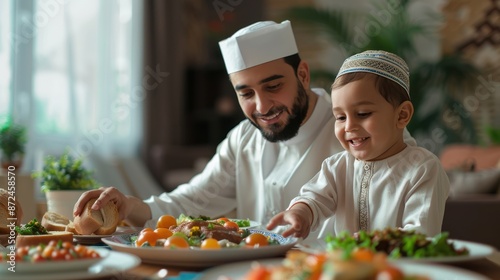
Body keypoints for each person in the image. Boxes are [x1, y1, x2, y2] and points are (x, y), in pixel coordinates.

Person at [73, 21, 416, 243]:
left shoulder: (360, 132)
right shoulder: (243, 139)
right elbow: (193, 200)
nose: (262, 106)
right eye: (245, 93)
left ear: (304, 75)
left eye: (273, 85)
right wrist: (128, 204)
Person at [266, 50, 450, 239]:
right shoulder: (338, 166)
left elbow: (420, 233)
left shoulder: (423, 169)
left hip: (402, 267)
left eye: (362, 114)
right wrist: (301, 212)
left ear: (402, 115)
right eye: (340, 117)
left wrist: (367, 244)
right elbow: (315, 198)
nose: (349, 126)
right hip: (346, 266)